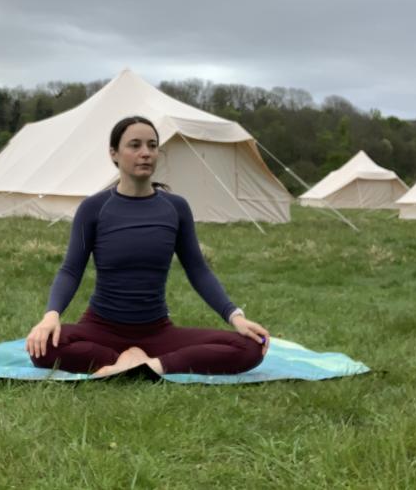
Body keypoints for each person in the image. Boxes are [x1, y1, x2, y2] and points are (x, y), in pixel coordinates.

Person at [25, 115, 270, 378]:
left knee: (250, 347)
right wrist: (51, 315)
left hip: (157, 331)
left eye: (152, 146)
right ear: (114, 154)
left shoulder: (175, 208)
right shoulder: (93, 208)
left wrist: (236, 317)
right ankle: (126, 360)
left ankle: (152, 364)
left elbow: (198, 269)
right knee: (41, 349)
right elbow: (71, 269)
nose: (145, 153)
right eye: (135, 145)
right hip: (101, 328)